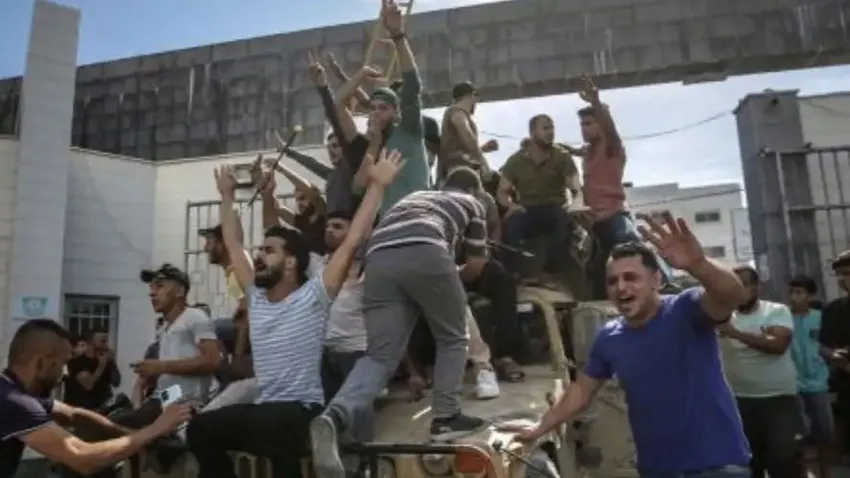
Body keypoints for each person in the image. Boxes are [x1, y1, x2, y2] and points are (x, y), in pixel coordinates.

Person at [185, 149, 403, 478]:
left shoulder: (314, 297)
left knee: (268, 425)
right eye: (260, 250)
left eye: (268, 251)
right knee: (200, 430)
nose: (259, 256)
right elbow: (233, 244)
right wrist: (226, 197)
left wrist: (377, 186)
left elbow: (352, 240)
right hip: (268, 415)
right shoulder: (256, 298)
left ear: (290, 263)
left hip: (301, 413)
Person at [500, 213, 751, 478]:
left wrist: (699, 264)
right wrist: (540, 427)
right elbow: (581, 391)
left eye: (631, 277)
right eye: (612, 281)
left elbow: (731, 296)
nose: (621, 287)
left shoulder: (685, 310)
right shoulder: (609, 337)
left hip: (715, 468)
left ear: (656, 280)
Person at [310, 165, 492, 476]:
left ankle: (336, 415)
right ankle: (446, 417)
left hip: (378, 260)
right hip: (428, 251)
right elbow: (475, 266)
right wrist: (448, 281)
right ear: (474, 191)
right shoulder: (472, 203)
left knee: (379, 356)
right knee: (453, 336)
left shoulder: (415, 198)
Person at [0, 319, 191, 478]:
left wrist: (130, 434)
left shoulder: (14, 391)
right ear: (41, 363)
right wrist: (155, 429)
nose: (65, 373)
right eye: (63, 363)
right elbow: (83, 458)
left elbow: (74, 415)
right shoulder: (15, 403)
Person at [576, 76, 672, 299]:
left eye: (589, 124)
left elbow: (610, 130)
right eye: (582, 125)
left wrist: (595, 102)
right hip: (596, 224)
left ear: (601, 124)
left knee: (634, 248)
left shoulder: (611, 147)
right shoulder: (588, 153)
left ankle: (666, 284)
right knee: (596, 269)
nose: (584, 129)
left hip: (614, 217)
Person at [332, 0, 429, 215]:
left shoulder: (409, 130)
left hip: (420, 217)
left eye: (383, 108)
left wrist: (397, 36)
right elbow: (338, 104)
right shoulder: (367, 147)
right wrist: (361, 74)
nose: (376, 112)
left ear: (396, 112)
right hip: (388, 225)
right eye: (373, 108)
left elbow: (412, 84)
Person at [718, 265, 802, 478]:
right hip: (739, 401)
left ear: (757, 286)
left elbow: (778, 345)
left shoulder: (775, 311)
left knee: (783, 460)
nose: (739, 290)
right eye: (735, 285)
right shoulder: (723, 316)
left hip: (778, 399)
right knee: (748, 462)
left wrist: (735, 333)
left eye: (744, 285)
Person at [497, 114, 580, 287]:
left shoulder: (562, 157)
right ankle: (514, 275)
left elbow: (576, 188)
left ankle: (550, 272)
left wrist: (575, 204)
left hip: (555, 207)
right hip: (528, 210)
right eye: (545, 128)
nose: (551, 132)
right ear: (533, 132)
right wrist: (511, 205)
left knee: (565, 220)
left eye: (552, 128)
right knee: (510, 225)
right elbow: (502, 192)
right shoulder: (515, 161)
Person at [136, 264, 221, 407]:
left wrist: (160, 367)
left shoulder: (195, 317)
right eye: (151, 287)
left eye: (160, 286)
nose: (152, 293)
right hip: (166, 400)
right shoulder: (164, 327)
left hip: (187, 405)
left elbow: (212, 361)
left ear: (180, 291)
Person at [787, 275, 833, 478]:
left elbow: (827, 345)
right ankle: (805, 473)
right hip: (793, 384)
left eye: (799, 293)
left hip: (819, 383)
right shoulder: (784, 318)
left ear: (810, 295)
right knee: (799, 436)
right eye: (791, 292)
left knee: (824, 433)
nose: (794, 297)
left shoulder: (821, 318)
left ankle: (825, 473)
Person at [821, 250, 850, 457]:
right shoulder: (834, 309)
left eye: (847, 273)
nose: (842, 279)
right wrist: (833, 356)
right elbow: (824, 344)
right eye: (839, 274)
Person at [438, 80, 498, 181]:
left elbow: (462, 148)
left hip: (459, 166)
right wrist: (485, 165)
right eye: (476, 98)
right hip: (459, 170)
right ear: (470, 96)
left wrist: (483, 149)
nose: (476, 102)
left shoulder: (457, 113)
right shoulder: (456, 111)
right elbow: (466, 135)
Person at [63, 328, 121, 410]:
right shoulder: (76, 362)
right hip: (81, 409)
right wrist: (101, 366)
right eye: (103, 341)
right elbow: (88, 385)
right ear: (91, 342)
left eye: (106, 341)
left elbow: (116, 382)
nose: (106, 345)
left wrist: (113, 362)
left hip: (103, 408)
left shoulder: (104, 360)